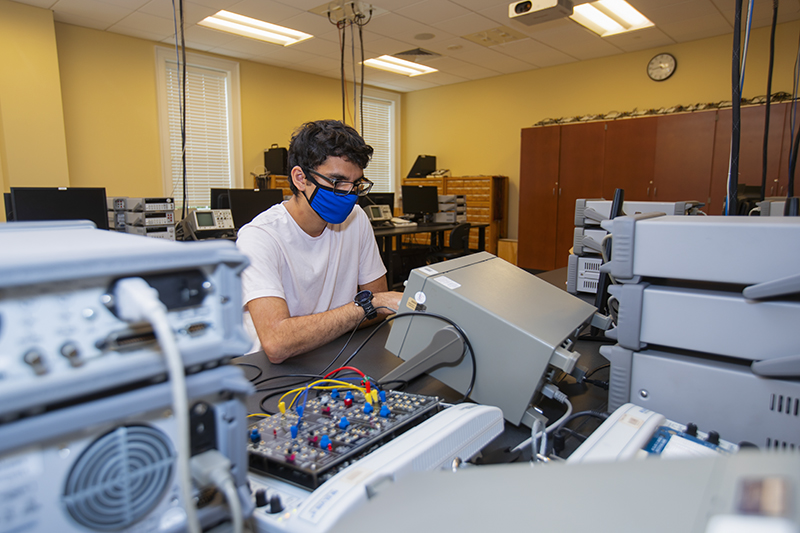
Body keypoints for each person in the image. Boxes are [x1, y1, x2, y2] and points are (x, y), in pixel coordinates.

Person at [236, 120, 403, 364]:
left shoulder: (356, 220)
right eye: (337, 183)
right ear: (301, 178)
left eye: (356, 184)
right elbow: (277, 342)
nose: (350, 195)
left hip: (337, 351)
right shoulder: (259, 237)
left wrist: (373, 304)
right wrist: (368, 305)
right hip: (275, 371)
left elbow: (380, 308)